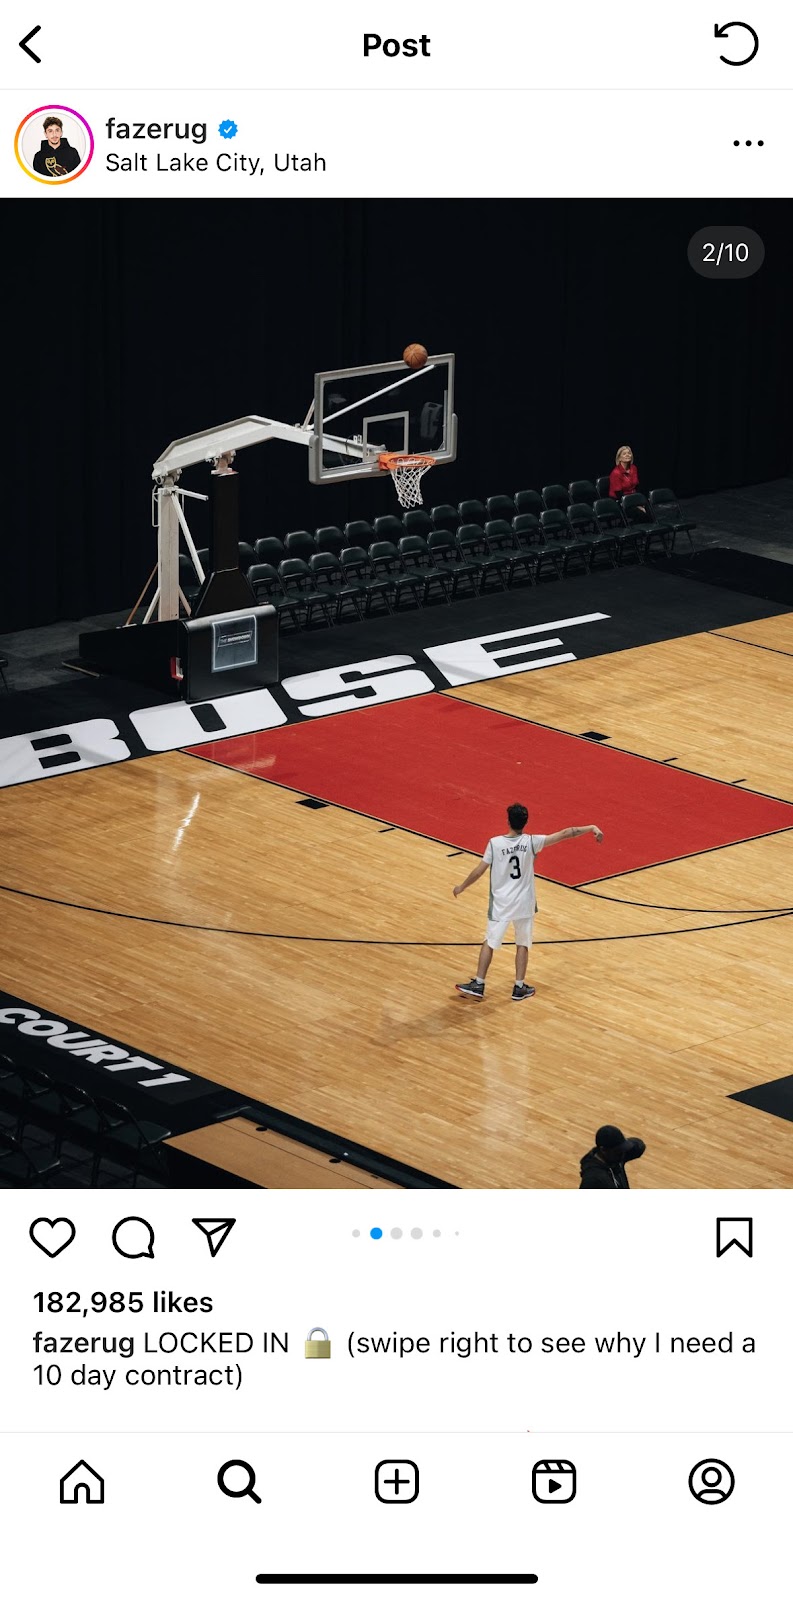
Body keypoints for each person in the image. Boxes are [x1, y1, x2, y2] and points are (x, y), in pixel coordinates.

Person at [453, 803, 603, 1001]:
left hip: (501, 904)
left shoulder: (495, 844)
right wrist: (591, 827)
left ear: (508, 821)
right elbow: (567, 833)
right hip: (524, 902)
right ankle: (519, 987)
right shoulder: (532, 842)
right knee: (522, 943)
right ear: (525, 822)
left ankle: (479, 984)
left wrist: (462, 886)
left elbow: (480, 870)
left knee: (489, 942)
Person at [579, 1125, 646, 1188]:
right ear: (603, 1150)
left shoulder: (616, 1158)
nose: (623, 1155)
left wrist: (627, 1143)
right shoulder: (592, 1179)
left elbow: (639, 1145)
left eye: (623, 1149)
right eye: (618, 1151)